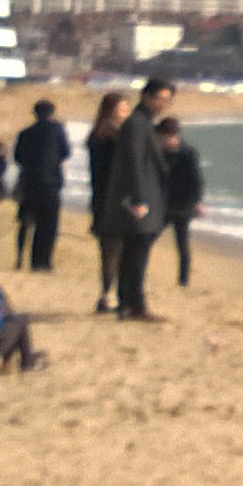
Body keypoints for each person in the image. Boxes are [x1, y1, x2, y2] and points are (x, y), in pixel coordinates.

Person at [95, 79, 176, 320]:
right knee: (136, 253)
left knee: (134, 252)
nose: (164, 104)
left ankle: (128, 304)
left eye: (168, 99)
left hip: (139, 198)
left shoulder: (143, 124)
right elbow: (134, 163)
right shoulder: (137, 125)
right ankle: (133, 305)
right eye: (161, 98)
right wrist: (138, 200)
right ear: (147, 97)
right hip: (139, 201)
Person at [82, 91, 131, 312]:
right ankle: (112, 295)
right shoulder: (113, 136)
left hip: (100, 199)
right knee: (116, 250)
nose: (126, 113)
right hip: (113, 199)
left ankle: (107, 294)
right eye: (122, 108)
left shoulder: (96, 134)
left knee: (108, 250)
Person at [12, 100, 70, 272]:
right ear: (52, 113)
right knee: (49, 225)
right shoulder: (57, 130)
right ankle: (42, 261)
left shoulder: (25, 133)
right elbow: (66, 152)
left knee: (26, 221)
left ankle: (21, 257)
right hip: (51, 183)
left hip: (29, 182)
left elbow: (18, 157)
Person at [158, 117, 205, 287]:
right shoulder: (157, 151)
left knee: (182, 243)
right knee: (148, 237)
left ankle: (183, 280)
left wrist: (196, 202)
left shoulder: (188, 152)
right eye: (165, 136)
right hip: (163, 204)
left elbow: (197, 180)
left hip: (183, 205)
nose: (169, 140)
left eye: (171, 136)